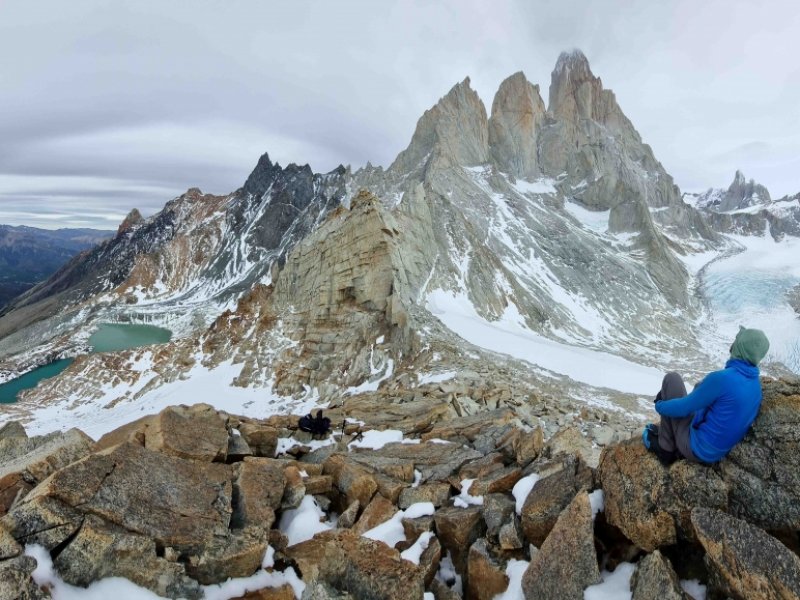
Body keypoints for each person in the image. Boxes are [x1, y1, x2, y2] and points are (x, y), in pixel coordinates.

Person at [642, 326, 770, 465]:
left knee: (672, 379)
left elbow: (683, 408)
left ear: (740, 347)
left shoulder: (723, 379)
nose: (733, 342)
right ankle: (672, 438)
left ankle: (665, 448)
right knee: (699, 387)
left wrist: (659, 405)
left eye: (736, 340)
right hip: (716, 452)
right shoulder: (755, 385)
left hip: (697, 450)